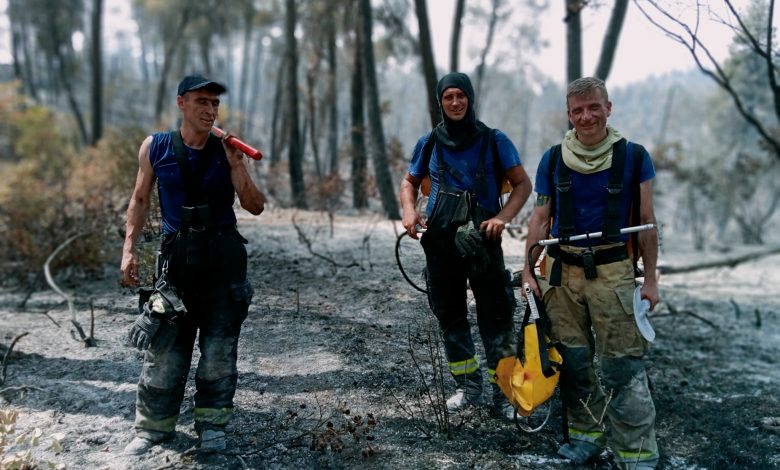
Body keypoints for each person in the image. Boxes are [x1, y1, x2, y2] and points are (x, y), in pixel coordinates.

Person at [120, 74, 266, 455]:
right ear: (181, 103)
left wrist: (237, 166)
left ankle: (213, 427)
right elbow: (138, 200)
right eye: (202, 101)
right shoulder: (156, 147)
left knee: (219, 352)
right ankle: (152, 429)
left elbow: (255, 205)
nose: (210, 109)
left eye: (215, 103)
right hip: (176, 264)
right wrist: (129, 250)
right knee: (166, 350)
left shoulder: (226, 149)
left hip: (223, 263)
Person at [522, 77, 660, 469]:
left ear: (608, 108)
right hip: (562, 272)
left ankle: (636, 453)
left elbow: (648, 222)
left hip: (613, 271)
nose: (586, 116)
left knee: (623, 364)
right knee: (574, 361)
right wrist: (529, 271)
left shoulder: (634, 157)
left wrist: (650, 279)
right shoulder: (552, 159)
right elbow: (540, 216)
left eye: (594, 107)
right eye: (578, 110)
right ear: (569, 115)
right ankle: (587, 435)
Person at [399, 72, 532, 420]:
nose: (455, 103)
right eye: (448, 97)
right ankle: (468, 388)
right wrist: (410, 211)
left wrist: (502, 217)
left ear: (470, 99)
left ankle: (504, 395)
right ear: (440, 102)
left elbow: (522, 185)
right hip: (440, 243)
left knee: (497, 317)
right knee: (450, 316)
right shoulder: (428, 142)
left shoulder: (494, 140)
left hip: (484, 243)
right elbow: (409, 182)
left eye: (461, 96)